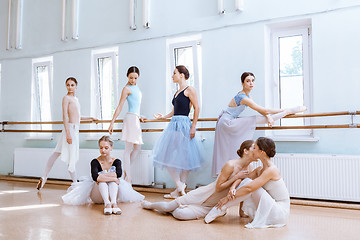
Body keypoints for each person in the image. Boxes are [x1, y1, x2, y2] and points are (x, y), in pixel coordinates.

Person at [212, 72, 306, 176]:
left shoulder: (248, 96)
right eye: (248, 81)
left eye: (252, 80)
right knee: (253, 120)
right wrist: (282, 109)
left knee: (256, 119)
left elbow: (260, 110)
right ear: (243, 83)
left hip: (228, 120)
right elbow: (264, 109)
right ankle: (287, 111)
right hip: (227, 122)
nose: (251, 83)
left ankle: (286, 112)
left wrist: (268, 117)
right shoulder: (243, 98)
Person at [142, 140, 258, 220]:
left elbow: (244, 189)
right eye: (254, 148)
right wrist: (236, 177)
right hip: (203, 194)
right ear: (245, 151)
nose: (256, 150)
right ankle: (150, 205)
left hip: (212, 205)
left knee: (179, 214)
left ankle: (176, 209)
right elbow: (218, 188)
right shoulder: (230, 165)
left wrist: (241, 212)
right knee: (168, 207)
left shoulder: (250, 168)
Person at [205, 137, 290, 229]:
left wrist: (227, 198)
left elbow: (249, 188)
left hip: (279, 213)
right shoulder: (260, 169)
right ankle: (221, 209)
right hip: (270, 207)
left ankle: (220, 208)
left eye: (255, 148)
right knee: (247, 181)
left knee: (250, 186)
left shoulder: (271, 170)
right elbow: (243, 179)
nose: (252, 151)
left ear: (262, 152)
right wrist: (232, 188)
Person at [152, 65, 204, 199]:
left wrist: (193, 126)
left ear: (181, 75)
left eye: (174, 73)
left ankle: (180, 188)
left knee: (185, 157)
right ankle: (180, 187)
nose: (172, 76)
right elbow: (174, 111)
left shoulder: (190, 89)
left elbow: (197, 108)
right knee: (168, 155)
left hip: (184, 125)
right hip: (174, 123)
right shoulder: (177, 92)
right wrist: (163, 117)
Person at [37, 77, 96, 190]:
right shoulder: (66, 98)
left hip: (74, 129)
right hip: (70, 130)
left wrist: (90, 118)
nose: (70, 87)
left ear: (76, 86)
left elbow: (77, 117)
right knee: (71, 158)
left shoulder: (76, 99)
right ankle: (75, 184)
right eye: (68, 85)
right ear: (66, 86)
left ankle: (44, 177)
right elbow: (65, 116)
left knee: (56, 153)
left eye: (72, 85)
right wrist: (68, 133)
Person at [62, 136, 144, 214]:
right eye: (101, 148)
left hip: (112, 193)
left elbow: (118, 174)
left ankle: (113, 204)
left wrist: (103, 177)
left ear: (111, 148)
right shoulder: (95, 162)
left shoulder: (117, 161)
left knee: (111, 182)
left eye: (106, 148)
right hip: (97, 196)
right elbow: (95, 177)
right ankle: (107, 204)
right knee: (103, 182)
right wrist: (112, 178)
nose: (103, 150)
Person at [109, 66, 145, 183]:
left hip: (135, 118)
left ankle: (125, 172)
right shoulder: (126, 88)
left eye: (135, 78)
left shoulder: (137, 88)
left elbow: (136, 106)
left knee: (137, 148)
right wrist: (112, 123)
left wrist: (139, 116)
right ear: (127, 76)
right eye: (131, 78)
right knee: (128, 148)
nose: (133, 80)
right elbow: (119, 106)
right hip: (130, 119)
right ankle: (128, 177)